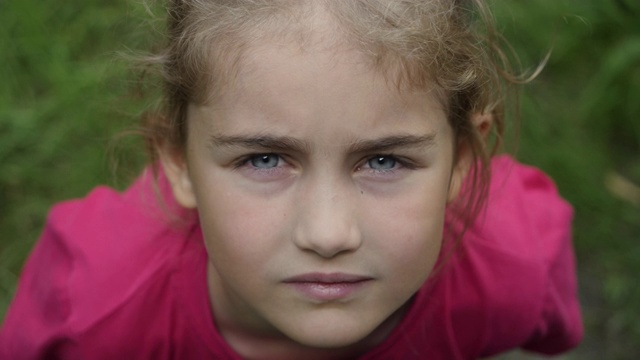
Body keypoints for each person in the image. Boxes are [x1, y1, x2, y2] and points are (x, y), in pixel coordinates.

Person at [0, 0, 583, 358]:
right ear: (176, 161)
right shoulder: (93, 314)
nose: (328, 234)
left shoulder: (513, 270)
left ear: (462, 161)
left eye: (385, 161)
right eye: (262, 159)